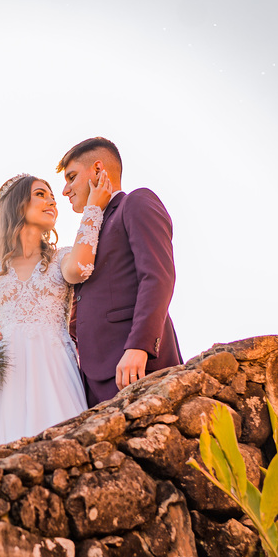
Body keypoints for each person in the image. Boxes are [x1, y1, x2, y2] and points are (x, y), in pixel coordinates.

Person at [0, 172, 114, 461]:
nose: (52, 201)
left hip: (53, 370)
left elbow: (79, 269)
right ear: (16, 205)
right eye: (40, 194)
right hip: (3, 380)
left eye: (52, 196)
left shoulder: (61, 258)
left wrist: (93, 209)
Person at [58, 137, 182, 406]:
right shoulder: (88, 233)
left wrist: (139, 346)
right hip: (90, 381)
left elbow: (157, 277)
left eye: (71, 177)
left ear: (98, 169)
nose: (65, 190)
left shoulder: (136, 202)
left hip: (136, 366)